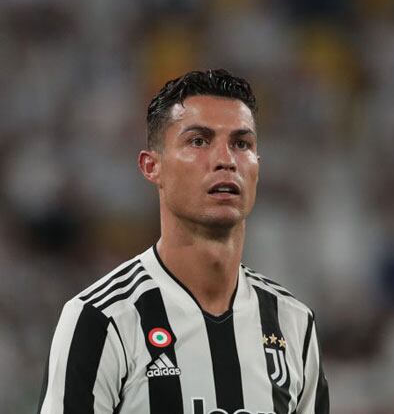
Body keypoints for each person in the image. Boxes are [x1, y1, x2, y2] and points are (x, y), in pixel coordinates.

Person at [36, 70, 329, 414]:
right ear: (152, 166)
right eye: (199, 141)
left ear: (257, 167)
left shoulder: (293, 324)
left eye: (241, 144)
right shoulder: (102, 320)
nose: (225, 160)